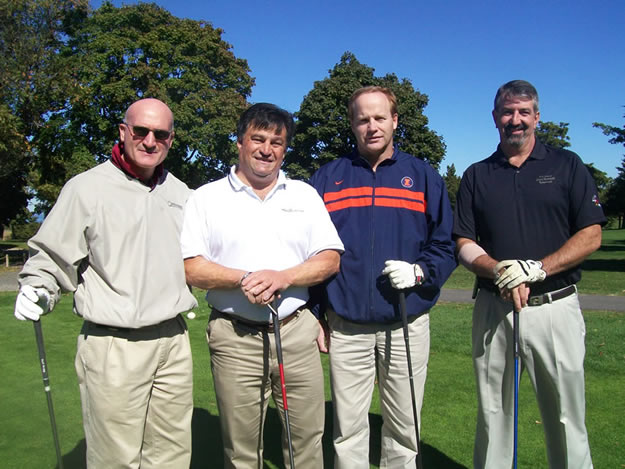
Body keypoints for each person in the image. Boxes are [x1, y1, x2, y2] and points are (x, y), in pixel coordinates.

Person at [14, 98, 198, 468]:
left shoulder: (182, 194)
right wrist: (39, 286)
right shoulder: (86, 188)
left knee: (172, 455)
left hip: (174, 341)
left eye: (160, 134)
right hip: (114, 344)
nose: (150, 141)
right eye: (141, 131)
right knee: (115, 459)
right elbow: (52, 254)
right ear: (123, 132)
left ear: (171, 139)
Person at [181, 102, 344, 469]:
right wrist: (244, 278)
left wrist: (283, 277)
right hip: (235, 338)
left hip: (296, 333)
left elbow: (330, 258)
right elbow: (192, 268)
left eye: (277, 142)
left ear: (285, 150)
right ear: (240, 142)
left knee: (306, 442)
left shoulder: (303, 195)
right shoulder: (205, 198)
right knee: (241, 449)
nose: (266, 149)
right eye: (258, 139)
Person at [453, 80, 606, 469]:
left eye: (524, 112)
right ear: (495, 118)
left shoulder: (566, 165)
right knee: (493, 416)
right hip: (494, 308)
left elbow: (591, 234)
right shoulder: (477, 175)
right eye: (507, 112)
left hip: (553, 307)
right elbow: (464, 242)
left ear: (537, 117)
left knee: (566, 417)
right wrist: (498, 269)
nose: (515, 120)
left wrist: (537, 268)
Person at [309, 86, 456, 468]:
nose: (371, 126)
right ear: (352, 124)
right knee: (348, 430)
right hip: (346, 326)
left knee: (404, 429)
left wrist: (421, 272)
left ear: (394, 121)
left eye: (379, 118)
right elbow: (310, 253)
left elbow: (445, 244)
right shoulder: (327, 178)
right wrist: (316, 313)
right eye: (363, 119)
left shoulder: (422, 176)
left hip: (406, 322)